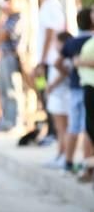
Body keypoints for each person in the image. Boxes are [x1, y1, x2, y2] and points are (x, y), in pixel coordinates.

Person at [56, 8, 93, 176]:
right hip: (87, 87)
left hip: (76, 88)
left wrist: (68, 73)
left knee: (74, 127)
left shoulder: (72, 43)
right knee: (88, 128)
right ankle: (87, 164)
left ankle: (69, 162)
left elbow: (58, 62)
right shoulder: (90, 41)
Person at [34, 0, 66, 144]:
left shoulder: (50, 6)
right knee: (44, 93)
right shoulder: (50, 5)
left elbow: (49, 34)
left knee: (49, 95)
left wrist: (42, 60)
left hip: (49, 60)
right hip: (47, 59)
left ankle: (54, 133)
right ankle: (51, 130)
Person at [0, 0, 25, 132]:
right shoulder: (7, 18)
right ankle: (6, 120)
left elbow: (4, 35)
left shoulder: (19, 17)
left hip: (12, 56)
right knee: (4, 90)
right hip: (4, 55)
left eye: (10, 2)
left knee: (12, 90)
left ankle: (15, 121)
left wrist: (1, 29)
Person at [43, 31, 72, 168]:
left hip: (62, 96)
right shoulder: (64, 56)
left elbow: (63, 74)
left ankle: (64, 156)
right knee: (60, 128)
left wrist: (51, 86)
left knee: (63, 128)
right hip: (59, 95)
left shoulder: (66, 57)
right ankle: (60, 155)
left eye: (56, 41)